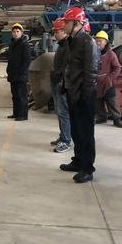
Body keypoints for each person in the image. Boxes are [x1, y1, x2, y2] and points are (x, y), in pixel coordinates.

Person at [59, 7, 99, 183]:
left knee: (86, 133)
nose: (64, 25)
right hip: (73, 91)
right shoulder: (71, 41)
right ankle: (78, 161)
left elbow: (91, 71)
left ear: (76, 23)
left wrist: (85, 95)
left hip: (84, 94)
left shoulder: (87, 42)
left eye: (66, 22)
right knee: (76, 130)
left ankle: (87, 168)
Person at [94, 30, 122, 128]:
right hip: (96, 82)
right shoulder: (93, 53)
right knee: (98, 101)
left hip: (108, 83)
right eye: (97, 41)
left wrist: (110, 78)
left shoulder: (111, 54)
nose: (98, 43)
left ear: (105, 42)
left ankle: (117, 119)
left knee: (112, 101)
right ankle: (101, 117)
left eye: (100, 41)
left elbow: (117, 68)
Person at [50, 18, 71, 153]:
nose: (55, 34)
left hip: (62, 83)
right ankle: (63, 135)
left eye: (56, 32)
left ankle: (66, 140)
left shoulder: (68, 46)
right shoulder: (62, 45)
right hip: (57, 81)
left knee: (63, 113)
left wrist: (62, 81)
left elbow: (67, 67)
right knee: (60, 112)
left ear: (63, 31)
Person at [6, 23, 31, 121]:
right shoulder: (12, 44)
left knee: (21, 96)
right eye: (14, 32)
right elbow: (10, 59)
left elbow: (27, 60)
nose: (16, 33)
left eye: (17, 31)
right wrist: (8, 70)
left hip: (21, 75)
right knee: (15, 95)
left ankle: (23, 115)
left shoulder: (25, 44)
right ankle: (16, 113)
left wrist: (21, 72)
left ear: (21, 32)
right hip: (13, 74)